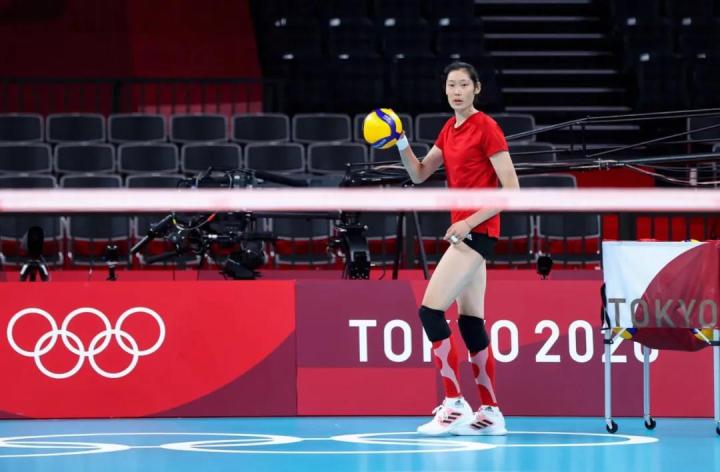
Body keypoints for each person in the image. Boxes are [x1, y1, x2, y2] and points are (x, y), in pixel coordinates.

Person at [396, 61, 520, 436]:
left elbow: (511, 191)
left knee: (430, 311)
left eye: (464, 84)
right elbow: (419, 173)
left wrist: (468, 222)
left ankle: (453, 403)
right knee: (470, 321)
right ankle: (491, 412)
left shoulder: (487, 127)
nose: (456, 91)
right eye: (451, 85)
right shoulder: (449, 129)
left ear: (476, 88)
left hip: (475, 231)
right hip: (464, 233)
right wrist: (400, 140)